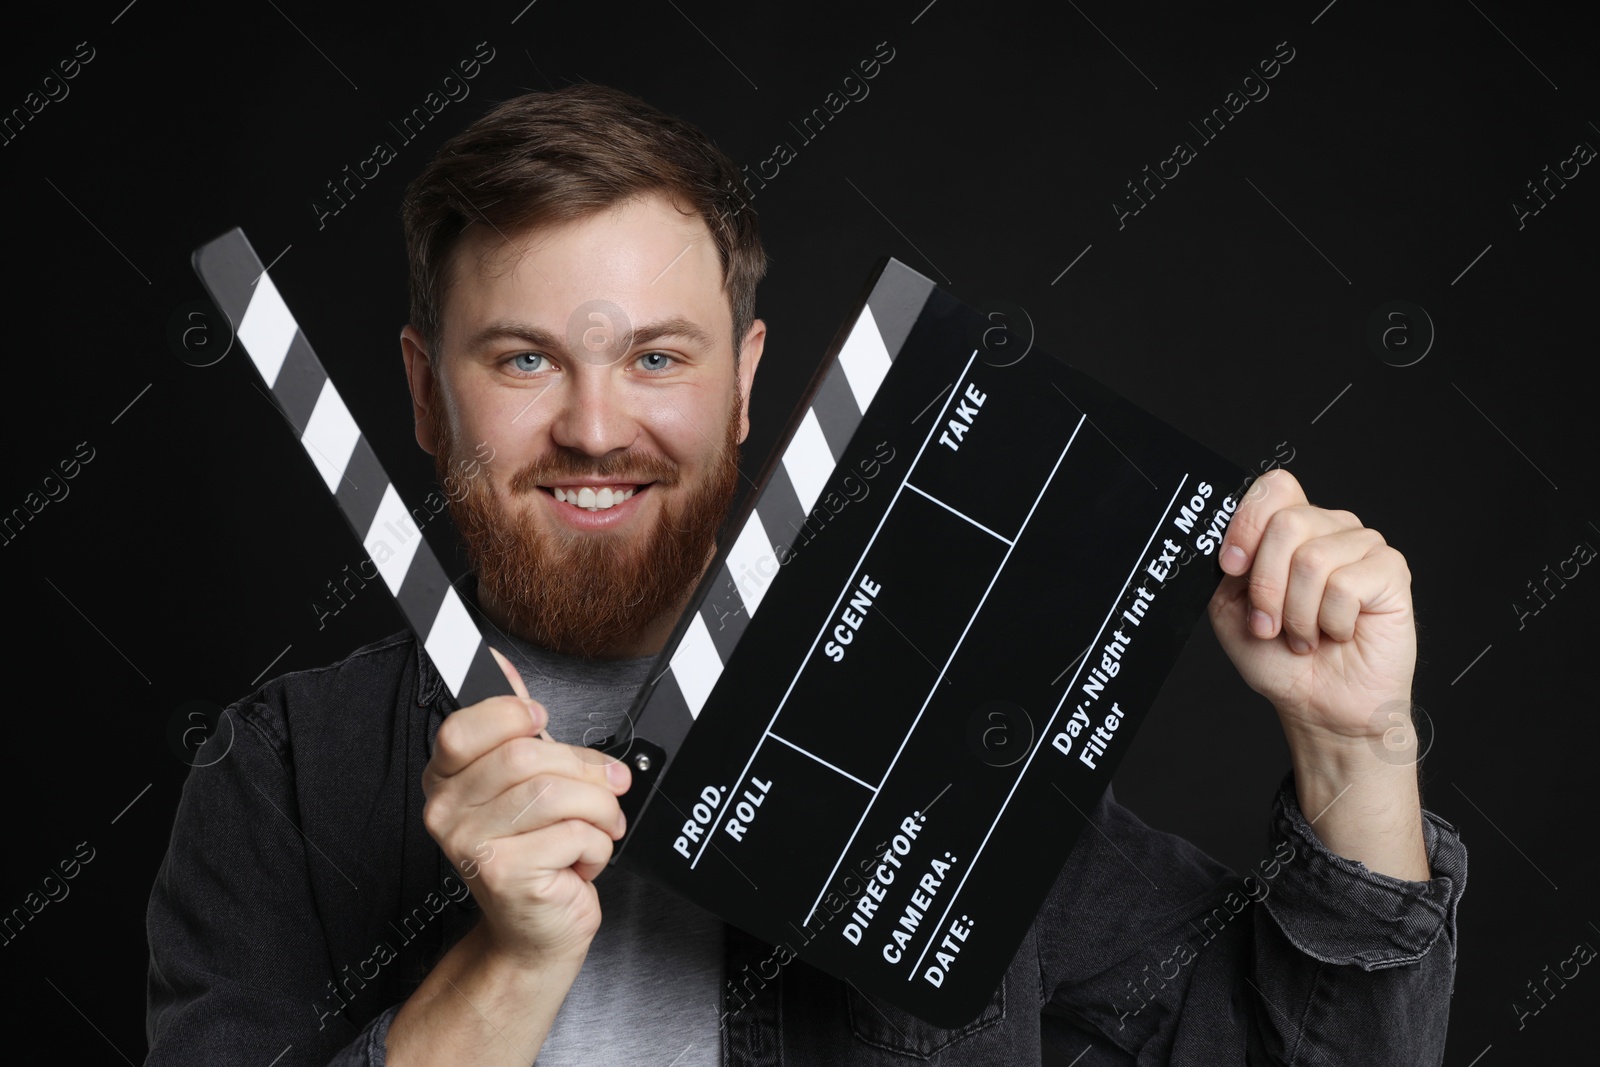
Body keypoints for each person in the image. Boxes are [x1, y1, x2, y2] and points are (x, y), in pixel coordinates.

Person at [144, 84, 1466, 1066]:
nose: (597, 427)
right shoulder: (282, 778)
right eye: (526, 359)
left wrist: (1357, 751)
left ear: (745, 387)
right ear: (428, 398)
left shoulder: (938, 718)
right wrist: (509, 963)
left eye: (658, 357)